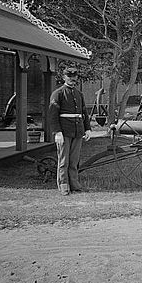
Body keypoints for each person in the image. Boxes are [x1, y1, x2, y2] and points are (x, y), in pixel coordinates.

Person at [49, 66, 92, 195]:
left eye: (74, 78)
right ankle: (63, 185)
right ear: (64, 77)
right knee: (64, 161)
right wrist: (57, 132)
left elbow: (84, 112)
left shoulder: (79, 94)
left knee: (74, 161)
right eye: (70, 77)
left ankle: (74, 184)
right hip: (64, 131)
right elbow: (52, 114)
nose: (72, 80)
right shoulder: (58, 93)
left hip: (78, 131)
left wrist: (88, 129)